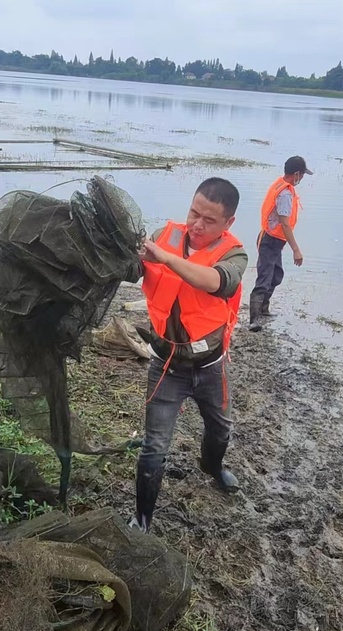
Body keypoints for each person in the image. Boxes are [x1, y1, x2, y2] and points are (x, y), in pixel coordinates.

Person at [128, 178, 248, 533]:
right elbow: (133, 269)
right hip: (166, 365)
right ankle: (143, 519)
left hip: (210, 366)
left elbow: (217, 282)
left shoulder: (234, 254)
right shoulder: (165, 235)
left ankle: (212, 467)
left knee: (220, 429)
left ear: (228, 223)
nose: (196, 224)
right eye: (193, 213)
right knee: (154, 448)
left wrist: (163, 258)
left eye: (208, 220)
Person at [249, 155, 313, 331]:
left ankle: (263, 308)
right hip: (270, 241)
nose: (302, 179)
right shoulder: (285, 193)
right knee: (264, 279)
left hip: (274, 241)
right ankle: (253, 319)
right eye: (302, 175)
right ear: (297, 174)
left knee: (276, 275)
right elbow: (284, 223)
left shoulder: (282, 185)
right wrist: (296, 250)